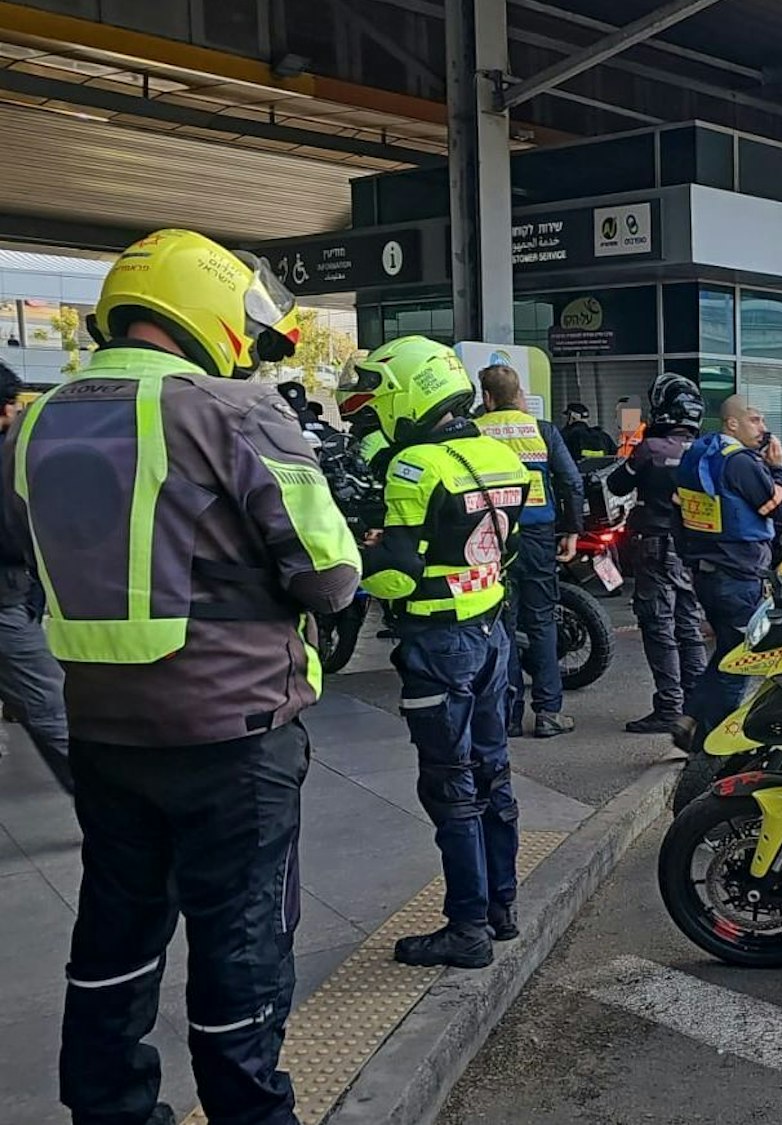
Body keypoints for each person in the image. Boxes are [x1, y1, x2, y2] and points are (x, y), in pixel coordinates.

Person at [2, 229, 360, 1125]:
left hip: (101, 732)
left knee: (115, 934)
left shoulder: (37, 420)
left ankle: (113, 1108)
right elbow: (331, 575)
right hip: (235, 737)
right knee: (241, 946)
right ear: (199, 309)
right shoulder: (233, 411)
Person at [347, 336, 532, 970]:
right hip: (491, 632)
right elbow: (496, 548)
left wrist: (349, 562)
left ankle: (467, 928)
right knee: (493, 775)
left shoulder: (414, 465)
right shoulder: (500, 453)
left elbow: (397, 576)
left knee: (451, 787)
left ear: (407, 391)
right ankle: (501, 910)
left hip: (438, 644)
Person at [475, 365, 586, 740]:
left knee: (503, 625)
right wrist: (572, 530)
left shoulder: (476, 432)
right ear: (519, 394)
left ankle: (507, 715)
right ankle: (548, 713)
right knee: (541, 623)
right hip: (539, 536)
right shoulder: (543, 431)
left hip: (491, 537)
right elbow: (571, 481)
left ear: (486, 397)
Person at [677, 395, 782, 732]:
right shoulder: (740, 462)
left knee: (729, 649)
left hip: (707, 573)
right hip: (738, 576)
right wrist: (779, 468)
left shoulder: (698, 454)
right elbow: (781, 511)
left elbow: (678, 513)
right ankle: (709, 743)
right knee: (743, 661)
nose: (764, 429)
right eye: (755, 420)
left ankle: (691, 719)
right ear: (732, 423)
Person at [608, 374, 708, 745]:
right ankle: (696, 705)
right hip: (689, 547)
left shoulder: (650, 450)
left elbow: (617, 484)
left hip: (654, 544)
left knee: (658, 625)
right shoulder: (703, 450)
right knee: (688, 623)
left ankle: (669, 707)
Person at [0, 358, 69, 788]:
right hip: (6, 604)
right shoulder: (11, 456)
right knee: (52, 710)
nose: (12, 414)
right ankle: (108, 810)